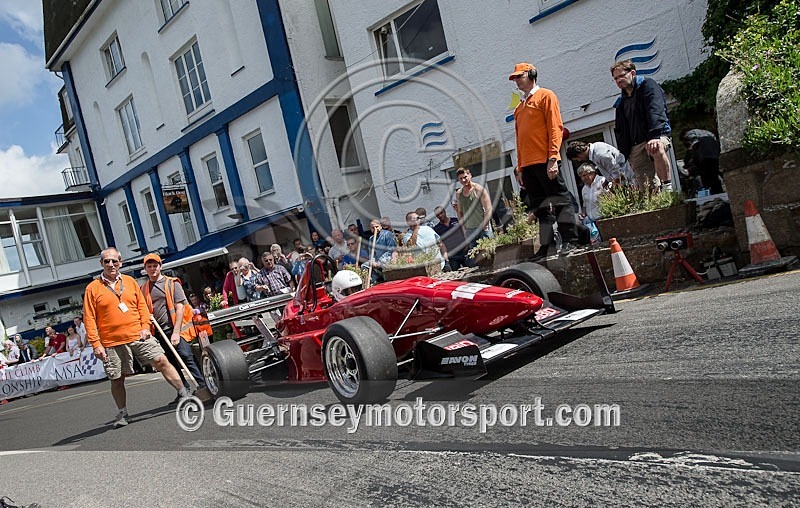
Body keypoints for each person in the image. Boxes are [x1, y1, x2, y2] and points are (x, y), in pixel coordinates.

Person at [83, 247, 188, 428]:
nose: (111, 264)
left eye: (114, 261)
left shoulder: (130, 282)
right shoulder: (92, 289)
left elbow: (142, 308)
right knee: (117, 379)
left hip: (138, 334)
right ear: (101, 264)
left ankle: (184, 394)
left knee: (161, 360)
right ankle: (123, 413)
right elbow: (89, 318)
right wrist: (96, 344)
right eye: (106, 261)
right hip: (110, 341)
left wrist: (146, 327)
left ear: (120, 263)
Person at [509, 62, 579, 256]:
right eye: (514, 78)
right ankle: (547, 246)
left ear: (532, 74)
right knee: (539, 208)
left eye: (519, 76)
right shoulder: (519, 107)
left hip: (545, 160)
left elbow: (555, 128)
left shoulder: (546, 96)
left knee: (560, 201)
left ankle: (571, 240)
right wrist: (521, 167)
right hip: (528, 165)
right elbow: (519, 139)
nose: (516, 81)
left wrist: (553, 158)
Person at [140, 252, 206, 400]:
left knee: (186, 356)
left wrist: (176, 333)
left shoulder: (172, 283)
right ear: (145, 269)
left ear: (160, 266)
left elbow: (180, 308)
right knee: (170, 362)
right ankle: (183, 390)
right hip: (158, 332)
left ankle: (204, 386)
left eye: (155, 265)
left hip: (176, 329)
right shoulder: (143, 289)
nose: (152, 269)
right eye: (149, 266)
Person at [611, 59, 673, 190]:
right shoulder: (621, 102)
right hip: (635, 145)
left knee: (657, 148)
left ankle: (667, 186)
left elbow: (656, 110)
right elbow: (621, 130)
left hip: (655, 135)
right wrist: (626, 153)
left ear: (632, 73)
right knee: (647, 188)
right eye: (615, 78)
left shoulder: (648, 86)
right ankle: (657, 200)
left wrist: (655, 136)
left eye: (621, 76)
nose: (618, 80)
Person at [566, 140, 635, 186]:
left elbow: (617, 173)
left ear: (579, 154)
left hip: (628, 182)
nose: (579, 160)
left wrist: (612, 189)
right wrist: (606, 182)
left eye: (577, 159)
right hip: (624, 182)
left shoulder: (600, 154)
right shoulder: (596, 150)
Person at [455, 167, 493, 250]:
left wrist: (485, 226)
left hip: (482, 228)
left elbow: (488, 209)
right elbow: (460, 212)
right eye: (461, 178)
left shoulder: (479, 189)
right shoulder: (459, 194)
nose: (463, 180)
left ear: (470, 175)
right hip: (469, 230)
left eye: (465, 177)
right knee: (476, 258)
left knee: (490, 253)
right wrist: (464, 229)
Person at [680, 128, 723, 195]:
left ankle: (708, 198)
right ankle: (719, 195)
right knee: (715, 178)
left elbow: (695, 145)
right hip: (715, 155)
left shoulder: (689, 134)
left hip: (704, 157)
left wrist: (693, 160)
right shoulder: (707, 132)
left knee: (705, 181)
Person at [433, 205, 468, 270]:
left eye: (441, 213)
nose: (440, 216)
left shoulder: (456, 220)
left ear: (445, 212)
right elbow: (439, 244)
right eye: (438, 215)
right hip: (452, 256)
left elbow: (465, 231)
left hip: (464, 251)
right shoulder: (436, 229)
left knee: (472, 269)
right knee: (456, 275)